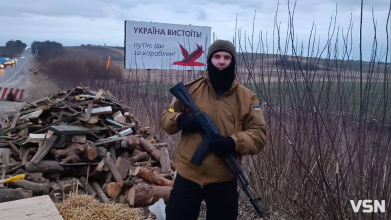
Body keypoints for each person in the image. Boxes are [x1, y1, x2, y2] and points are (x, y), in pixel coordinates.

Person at [161, 40, 268, 220]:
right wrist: (181, 120)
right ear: (209, 60)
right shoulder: (191, 89)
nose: (221, 61)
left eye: (227, 57)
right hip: (188, 175)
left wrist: (233, 142)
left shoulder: (247, 97)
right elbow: (166, 118)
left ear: (233, 62)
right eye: (216, 57)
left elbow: (259, 134)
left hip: (224, 178)